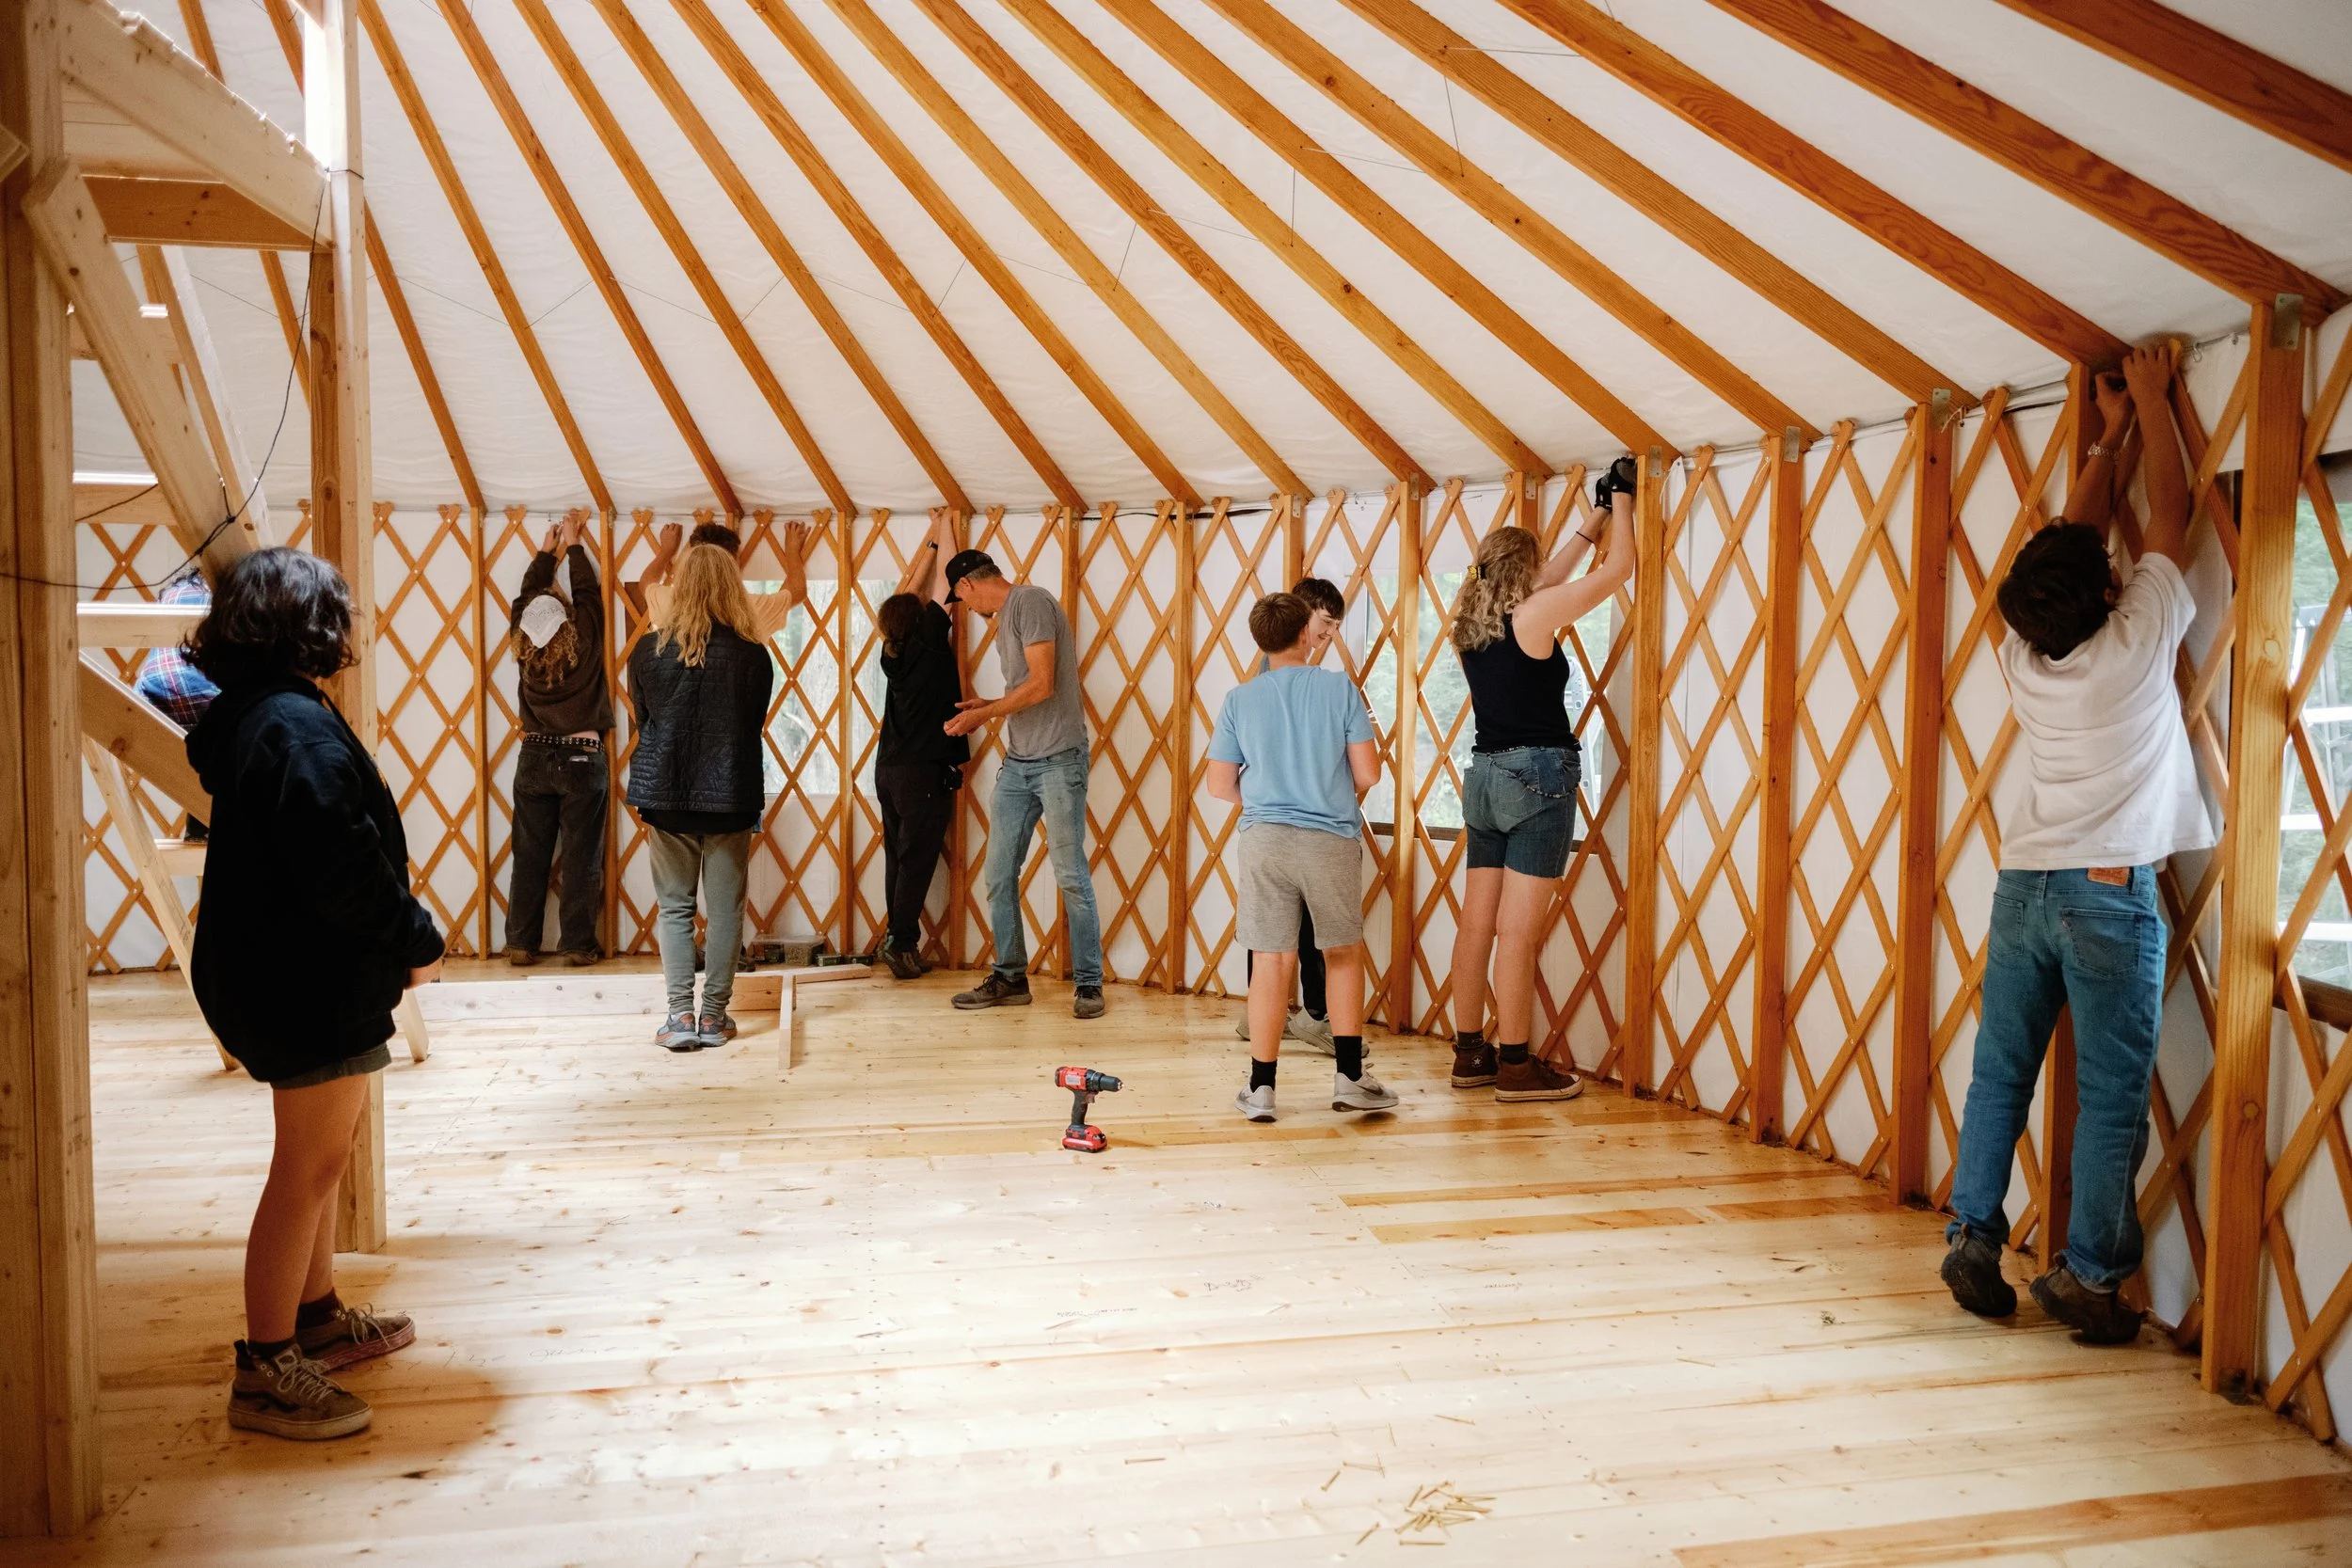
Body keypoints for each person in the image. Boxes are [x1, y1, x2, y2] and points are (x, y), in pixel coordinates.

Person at [1941, 343, 2209, 1345]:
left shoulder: (2023, 650)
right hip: (2105, 887)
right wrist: (2155, 405)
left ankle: (1974, 1231)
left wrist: (2108, 434)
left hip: (2023, 885)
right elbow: (2172, 522)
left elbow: (2071, 545)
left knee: (1998, 1068)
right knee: (2106, 1090)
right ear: (2104, 593)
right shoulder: (2134, 639)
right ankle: (2091, 1278)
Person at [183, 547, 444, 1440]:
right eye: (338, 610)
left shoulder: (262, 715)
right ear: (305, 624)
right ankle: (263, 1368)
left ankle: (317, 1315)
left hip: (290, 969)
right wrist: (415, 938)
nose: (350, 626)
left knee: (323, 1156)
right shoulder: (290, 726)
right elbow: (341, 861)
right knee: (306, 1166)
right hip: (302, 978)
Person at [1447, 457, 1637, 1102]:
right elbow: (1617, 574)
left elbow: (1552, 576)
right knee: (1518, 933)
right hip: (1538, 777)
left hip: (1483, 779)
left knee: (1477, 924)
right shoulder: (1536, 615)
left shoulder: (1470, 621)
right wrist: (1632, 506)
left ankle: (1469, 1052)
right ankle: (1518, 1066)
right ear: (1522, 574)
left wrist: (1600, 512)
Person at [1209, 592, 1387, 1122]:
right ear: (1306, 634)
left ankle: (1261, 1089)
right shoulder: (1339, 689)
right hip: (1328, 839)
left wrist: (1266, 801)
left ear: (1261, 641)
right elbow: (1370, 774)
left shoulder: (1239, 699)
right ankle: (1351, 1079)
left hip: (1264, 840)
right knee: (1342, 952)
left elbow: (1220, 785)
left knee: (1271, 959)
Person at [626, 535, 797, 1052]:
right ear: (730, 587)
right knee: (725, 911)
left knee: (674, 907)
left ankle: (679, 1017)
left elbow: (644, 720)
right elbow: (752, 725)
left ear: (680, 587)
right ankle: (714, 1018)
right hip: (729, 797)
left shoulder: (647, 653)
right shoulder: (753, 656)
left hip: (666, 795)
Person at [940, 548, 1106, 1019]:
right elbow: (1027, 691)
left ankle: (1089, 985)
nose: (966, 609)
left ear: (968, 585)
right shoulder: (1008, 615)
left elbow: (1043, 685)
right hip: (1020, 762)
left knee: (1070, 873)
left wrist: (982, 715)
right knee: (997, 872)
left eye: (960, 599)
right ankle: (1011, 977)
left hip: (1058, 759)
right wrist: (990, 701)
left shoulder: (1029, 601)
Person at [1236, 576, 1349, 1053]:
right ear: (1301, 619)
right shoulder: (1274, 679)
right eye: (1324, 625)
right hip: (1303, 822)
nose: (1327, 637)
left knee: (1279, 928)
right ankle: (1300, 1017)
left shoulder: (1287, 677)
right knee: (1287, 929)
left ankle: (1276, 1017)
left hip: (1268, 824)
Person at [502, 512, 611, 967]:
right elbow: (589, 594)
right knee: (582, 857)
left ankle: (522, 943)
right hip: (582, 757)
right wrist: (575, 543)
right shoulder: (583, 639)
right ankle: (578, 945)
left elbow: (524, 600)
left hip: (534, 756)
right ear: (565, 617)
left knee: (529, 854)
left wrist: (547, 553)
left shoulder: (525, 652)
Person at [874, 514, 969, 979]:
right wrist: (946, 529)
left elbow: (906, 596)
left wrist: (929, 541)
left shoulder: (892, 649)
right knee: (916, 856)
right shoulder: (930, 641)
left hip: (887, 770)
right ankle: (901, 941)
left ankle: (895, 934)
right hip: (920, 771)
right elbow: (951, 582)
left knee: (897, 853)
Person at [134, 566, 221, 840]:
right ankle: (204, 822)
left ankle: (199, 821)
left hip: (150, 703)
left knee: (196, 760)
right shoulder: (227, 595)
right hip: (210, 703)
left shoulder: (171, 595)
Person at [629, 516, 802, 642]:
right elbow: (797, 591)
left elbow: (646, 583)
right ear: (734, 562)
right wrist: (792, 551)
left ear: (690, 561)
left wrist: (667, 551)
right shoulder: (751, 608)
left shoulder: (669, 601)